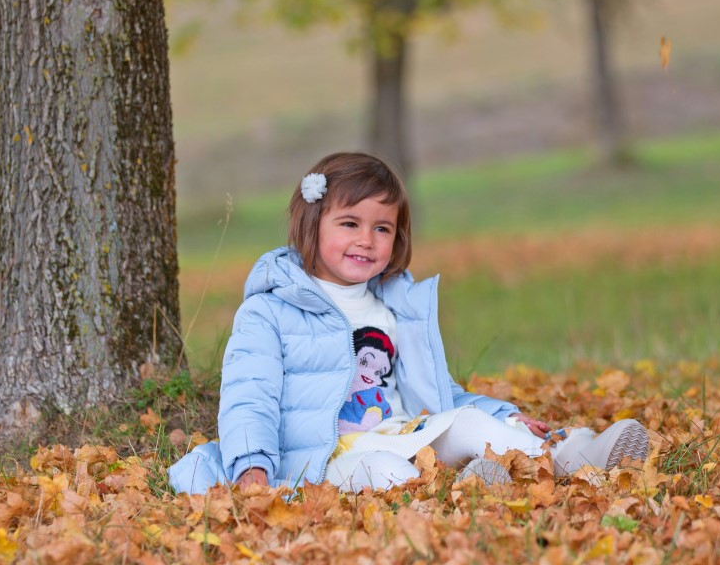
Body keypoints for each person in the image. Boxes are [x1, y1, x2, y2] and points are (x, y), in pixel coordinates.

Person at [168, 152, 649, 494]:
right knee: (381, 470)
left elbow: (437, 392)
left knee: (468, 421)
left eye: (383, 228)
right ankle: (465, 492)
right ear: (311, 225)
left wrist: (504, 414)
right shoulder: (268, 312)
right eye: (350, 223)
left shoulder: (393, 306)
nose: (367, 240)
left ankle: (572, 456)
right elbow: (249, 395)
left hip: (407, 432)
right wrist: (251, 464)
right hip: (329, 456)